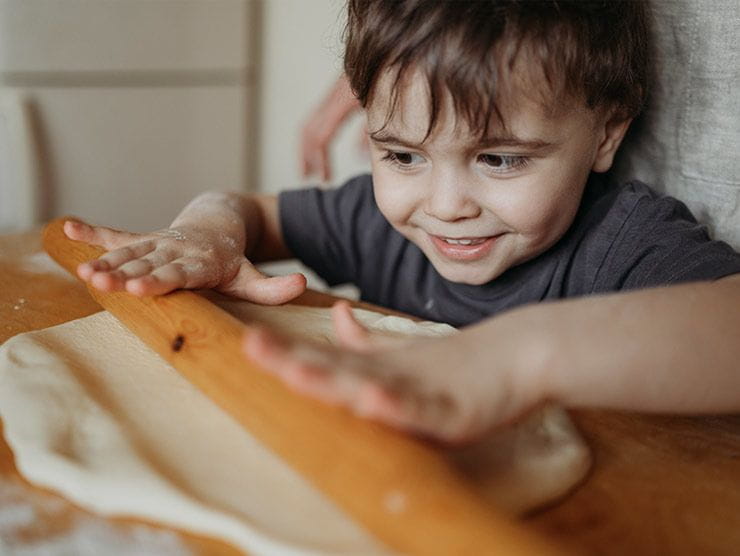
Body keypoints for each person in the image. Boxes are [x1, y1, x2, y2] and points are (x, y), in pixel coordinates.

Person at [65, 0, 740, 444]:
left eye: (500, 159)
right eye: (402, 154)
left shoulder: (620, 244)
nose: (444, 204)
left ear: (605, 136)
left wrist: (510, 359)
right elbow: (247, 210)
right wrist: (204, 233)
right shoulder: (381, 223)